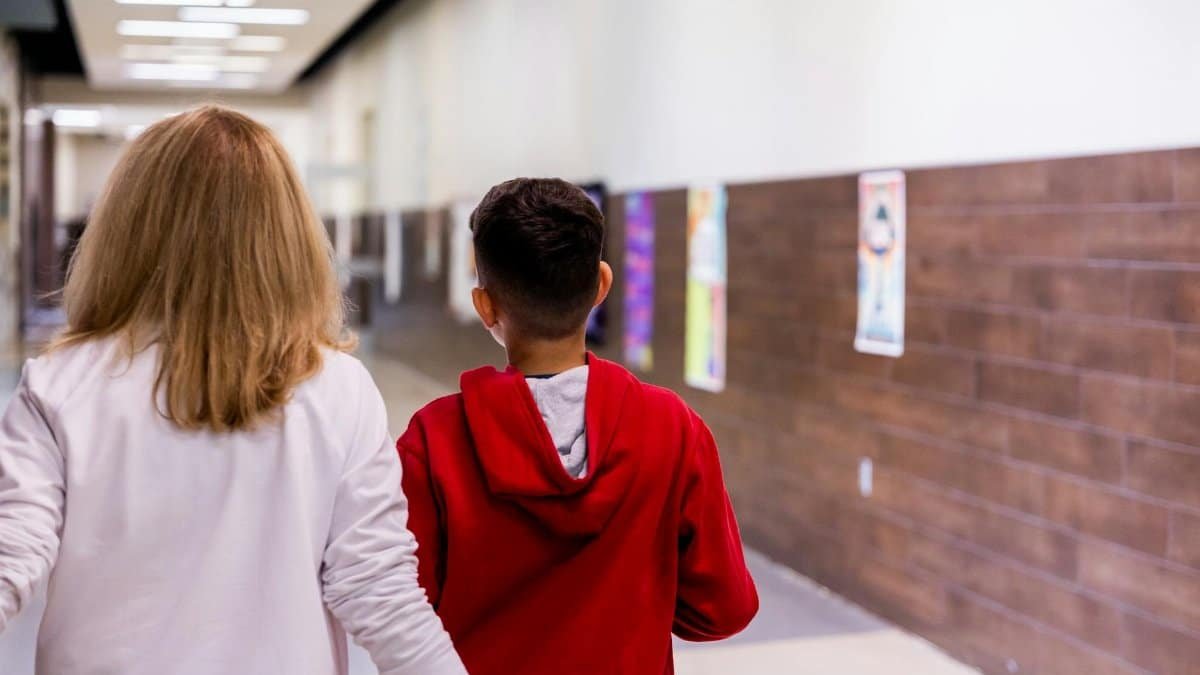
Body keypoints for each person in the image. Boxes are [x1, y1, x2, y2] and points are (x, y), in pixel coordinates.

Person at [0, 106, 465, 675]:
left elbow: (10, 557)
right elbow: (378, 587)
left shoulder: (62, 385)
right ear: (286, 236)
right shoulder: (339, 390)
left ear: (125, 229)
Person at [397, 178, 759, 675]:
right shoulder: (671, 428)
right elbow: (725, 608)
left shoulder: (433, 441)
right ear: (601, 286)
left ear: (485, 306)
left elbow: (403, 606)